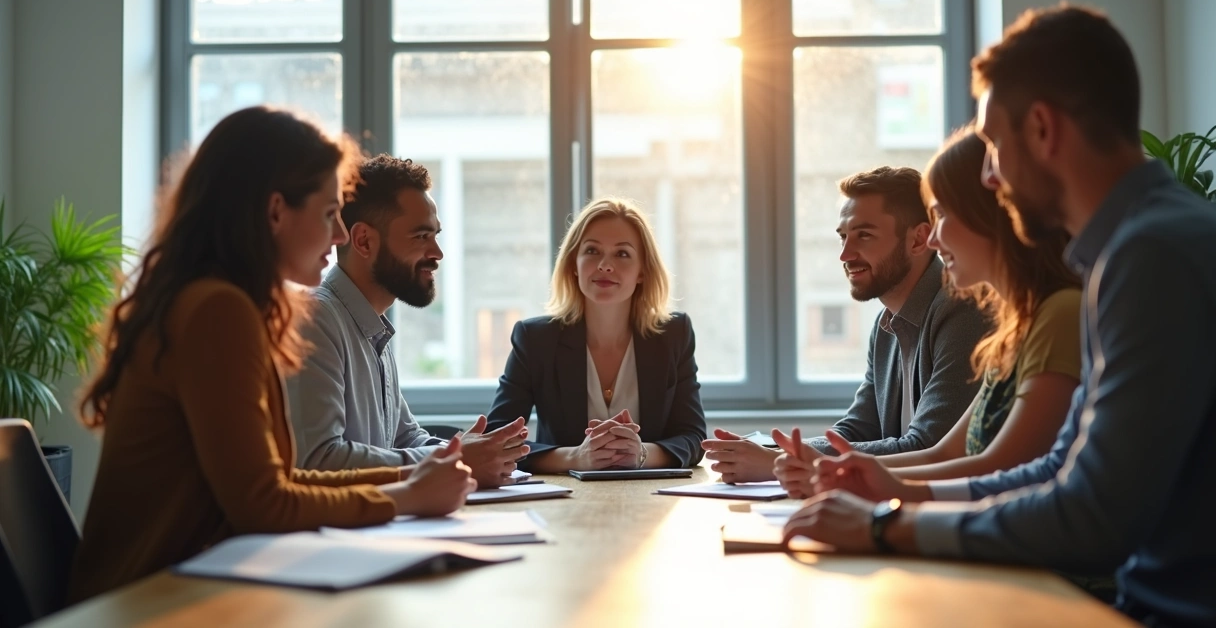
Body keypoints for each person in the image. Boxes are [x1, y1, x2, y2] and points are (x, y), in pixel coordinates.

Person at [784, 5, 1216, 627]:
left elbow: (1092, 519)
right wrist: (900, 496)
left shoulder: (1150, 255)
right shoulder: (1127, 251)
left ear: (1042, 130)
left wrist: (888, 525)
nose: (990, 175)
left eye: (991, 145)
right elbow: (1053, 472)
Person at [68, 107, 476, 603]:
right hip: (151, 601)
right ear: (276, 210)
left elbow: (279, 479)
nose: (342, 236)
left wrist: (413, 476)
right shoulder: (217, 309)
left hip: (192, 584)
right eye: (329, 215)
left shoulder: (224, 302)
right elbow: (264, 504)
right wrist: (408, 495)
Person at [773, 128, 1081, 499]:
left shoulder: (1055, 314)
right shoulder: (1015, 329)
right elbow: (946, 453)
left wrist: (885, 500)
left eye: (942, 216)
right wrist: (832, 469)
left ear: (988, 217)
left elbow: (1000, 468)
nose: (934, 239)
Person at [706, 167, 990, 483]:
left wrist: (777, 462)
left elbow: (929, 446)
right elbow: (857, 429)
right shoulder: (886, 327)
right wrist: (780, 451)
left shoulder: (962, 311)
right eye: (843, 237)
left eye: (864, 235)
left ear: (919, 239)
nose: (845, 254)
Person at [287, 154, 529, 487]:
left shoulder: (372, 327)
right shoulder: (316, 320)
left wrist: (471, 453)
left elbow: (404, 438)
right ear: (364, 241)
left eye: (436, 235)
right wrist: (455, 459)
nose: (437, 253)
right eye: (420, 237)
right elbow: (319, 460)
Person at [486, 198, 706, 473]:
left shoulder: (674, 334)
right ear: (573, 265)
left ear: (642, 272)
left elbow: (693, 437)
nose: (605, 265)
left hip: (653, 497)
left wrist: (639, 453)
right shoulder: (535, 339)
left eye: (622, 254)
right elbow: (496, 440)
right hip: (564, 501)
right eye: (592, 251)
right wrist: (575, 458)